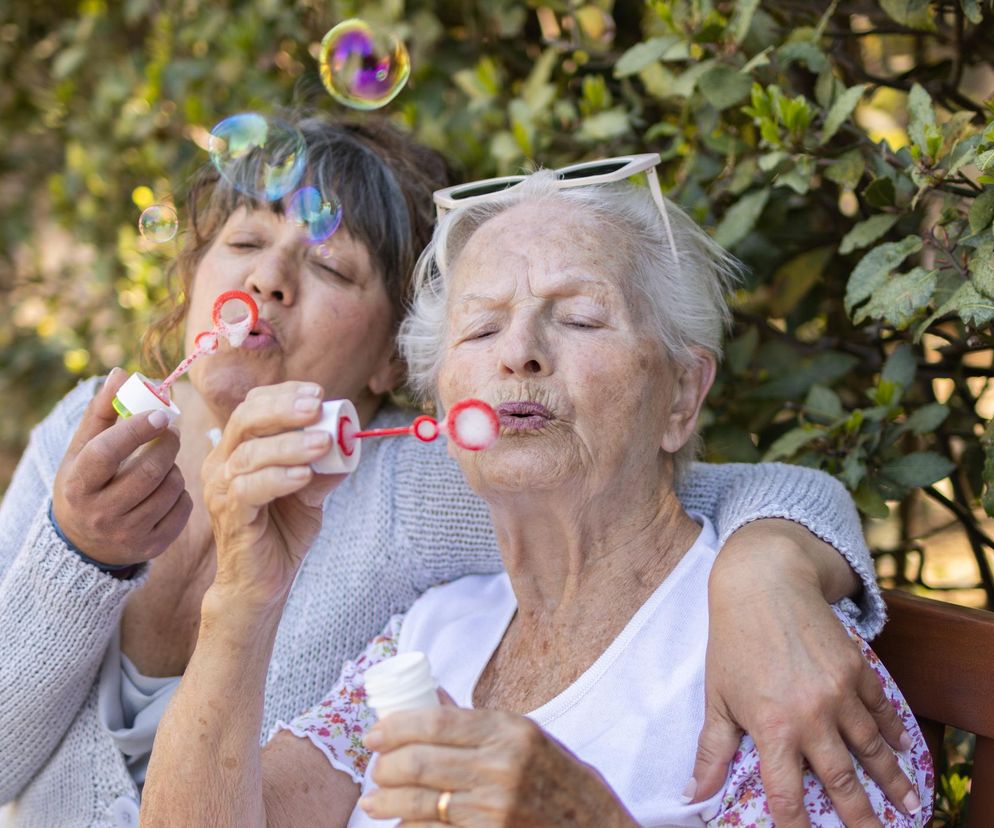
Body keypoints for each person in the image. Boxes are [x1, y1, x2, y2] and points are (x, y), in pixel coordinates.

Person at [0, 121, 909, 828]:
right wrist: (103, 557)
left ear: (394, 376)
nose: (518, 353)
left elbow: (693, 496)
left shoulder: (400, 478)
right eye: (479, 329)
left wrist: (769, 569)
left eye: (582, 319)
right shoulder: (424, 637)